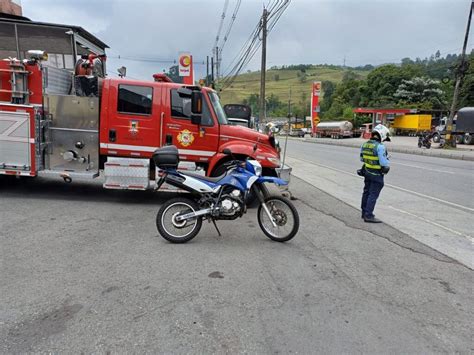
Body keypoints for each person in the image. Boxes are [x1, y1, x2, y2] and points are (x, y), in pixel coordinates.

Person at [359, 124, 391, 223]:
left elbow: (361, 158)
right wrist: (387, 159)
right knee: (373, 194)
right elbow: (383, 163)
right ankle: (369, 215)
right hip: (377, 174)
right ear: (382, 135)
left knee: (366, 192)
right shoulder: (380, 147)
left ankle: (364, 212)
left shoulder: (365, 144)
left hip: (367, 172)